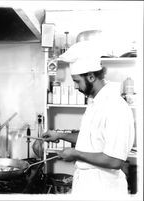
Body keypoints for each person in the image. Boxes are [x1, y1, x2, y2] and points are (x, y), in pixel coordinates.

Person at [41, 40, 135, 197]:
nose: (76, 87)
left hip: (103, 188)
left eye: (77, 81)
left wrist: (76, 154)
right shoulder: (95, 103)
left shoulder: (115, 106)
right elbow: (90, 139)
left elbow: (114, 160)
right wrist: (60, 135)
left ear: (91, 76)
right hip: (88, 184)